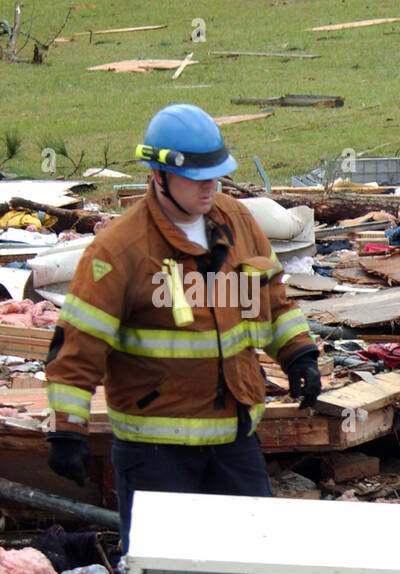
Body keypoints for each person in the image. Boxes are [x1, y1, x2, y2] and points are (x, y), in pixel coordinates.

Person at [44, 103, 319, 548]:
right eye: (196, 176)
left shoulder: (237, 223)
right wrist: (66, 431)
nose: (210, 185)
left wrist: (299, 354)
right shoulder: (119, 251)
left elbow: (271, 300)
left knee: (256, 563)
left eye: (216, 173)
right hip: (156, 452)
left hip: (234, 436)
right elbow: (79, 346)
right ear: (159, 176)